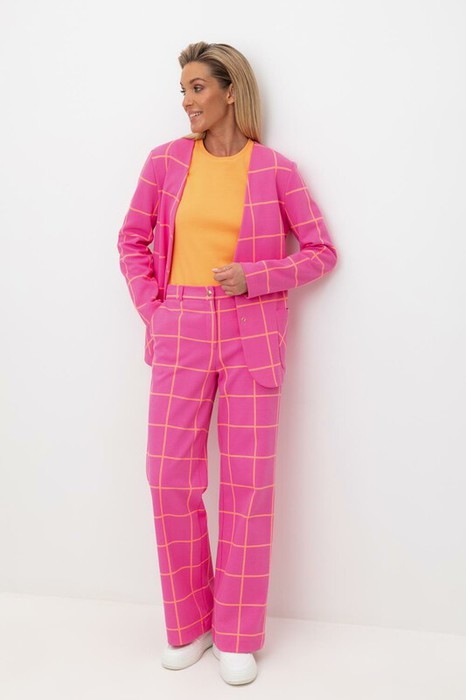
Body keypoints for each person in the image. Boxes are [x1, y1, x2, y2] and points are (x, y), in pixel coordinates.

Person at [117, 41, 338, 685]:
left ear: (230, 90)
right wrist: (156, 311)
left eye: (197, 88)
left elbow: (322, 251)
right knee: (168, 478)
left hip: (251, 333)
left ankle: (237, 633)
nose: (187, 101)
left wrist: (257, 276)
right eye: (182, 90)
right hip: (180, 323)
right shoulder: (164, 162)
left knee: (248, 485)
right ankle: (190, 625)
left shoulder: (276, 170)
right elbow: (131, 240)